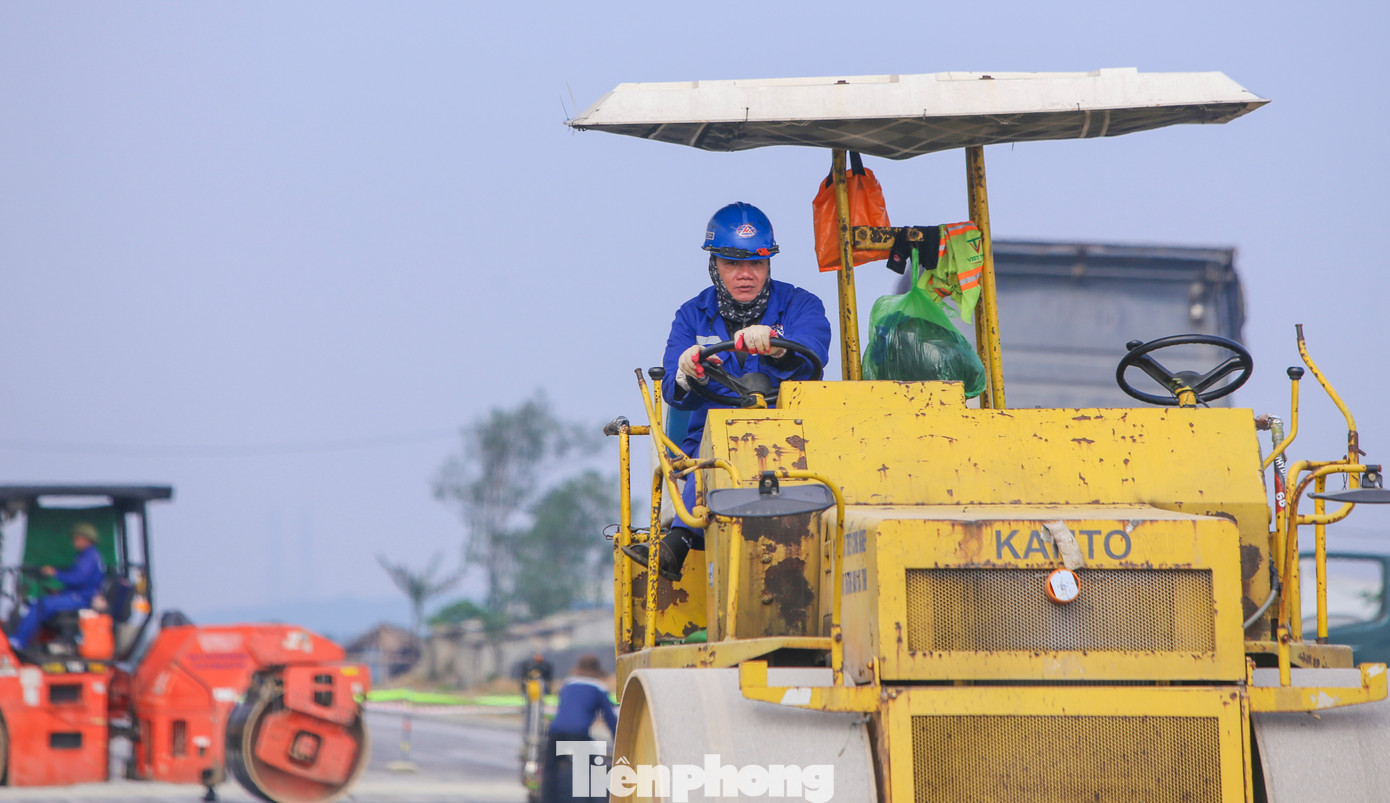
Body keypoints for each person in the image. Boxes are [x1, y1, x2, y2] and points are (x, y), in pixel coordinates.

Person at [622, 202, 831, 581]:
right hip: (711, 446)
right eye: (733, 263)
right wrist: (687, 370)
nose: (746, 274)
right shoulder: (691, 316)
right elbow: (671, 387)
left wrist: (779, 345)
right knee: (719, 441)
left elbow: (815, 348)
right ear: (714, 266)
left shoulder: (801, 305)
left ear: (769, 265)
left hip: (792, 440)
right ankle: (680, 542)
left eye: (756, 263)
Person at [10, 522, 106, 651]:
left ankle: (19, 641)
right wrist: (59, 591)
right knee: (41, 602)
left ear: (86, 539)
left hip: (82, 598)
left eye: (76, 538)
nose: (74, 542)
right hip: (77, 595)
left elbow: (78, 579)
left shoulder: (89, 557)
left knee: (41, 605)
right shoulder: (86, 555)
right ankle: (34, 643)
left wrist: (55, 573)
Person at [540, 654, 617, 803]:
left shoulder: (567, 684)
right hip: (579, 733)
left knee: (550, 770)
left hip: (556, 731)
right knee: (588, 771)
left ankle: (546, 799)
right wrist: (619, 740)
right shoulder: (598, 688)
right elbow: (609, 718)